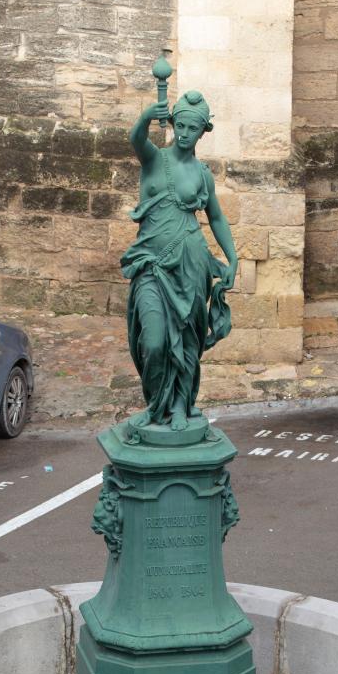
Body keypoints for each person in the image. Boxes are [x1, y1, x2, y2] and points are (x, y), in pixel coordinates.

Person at [122, 90, 238, 431]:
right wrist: (146, 116)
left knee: (187, 340)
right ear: (172, 124)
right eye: (181, 125)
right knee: (154, 341)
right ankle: (155, 404)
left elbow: (216, 218)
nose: (185, 133)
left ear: (203, 131)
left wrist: (232, 259)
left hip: (191, 264)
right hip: (151, 265)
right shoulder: (154, 159)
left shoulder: (203, 176)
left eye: (193, 128)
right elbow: (136, 139)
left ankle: (178, 405)